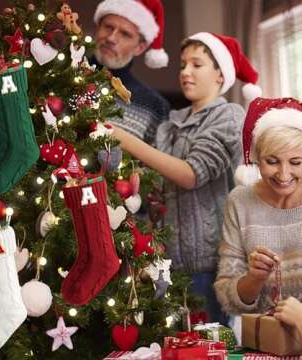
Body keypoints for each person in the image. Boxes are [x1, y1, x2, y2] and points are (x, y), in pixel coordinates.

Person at [111, 32, 261, 323]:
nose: (185, 72)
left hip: (210, 266)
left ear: (220, 74)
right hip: (166, 265)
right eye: (182, 65)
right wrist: (137, 178)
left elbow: (192, 174)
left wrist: (125, 140)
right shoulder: (168, 126)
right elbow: (157, 180)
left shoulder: (229, 116)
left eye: (197, 64)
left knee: (209, 345)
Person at [214, 97, 302, 335]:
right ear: (256, 158)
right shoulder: (240, 201)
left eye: (296, 162)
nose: (284, 175)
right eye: (272, 161)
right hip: (264, 344)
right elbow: (227, 298)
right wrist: (254, 277)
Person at [92, 0, 171, 144]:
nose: (111, 38)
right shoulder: (60, 72)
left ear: (140, 48)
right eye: (108, 27)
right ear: (98, 27)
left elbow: (151, 166)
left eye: (125, 34)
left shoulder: (155, 107)